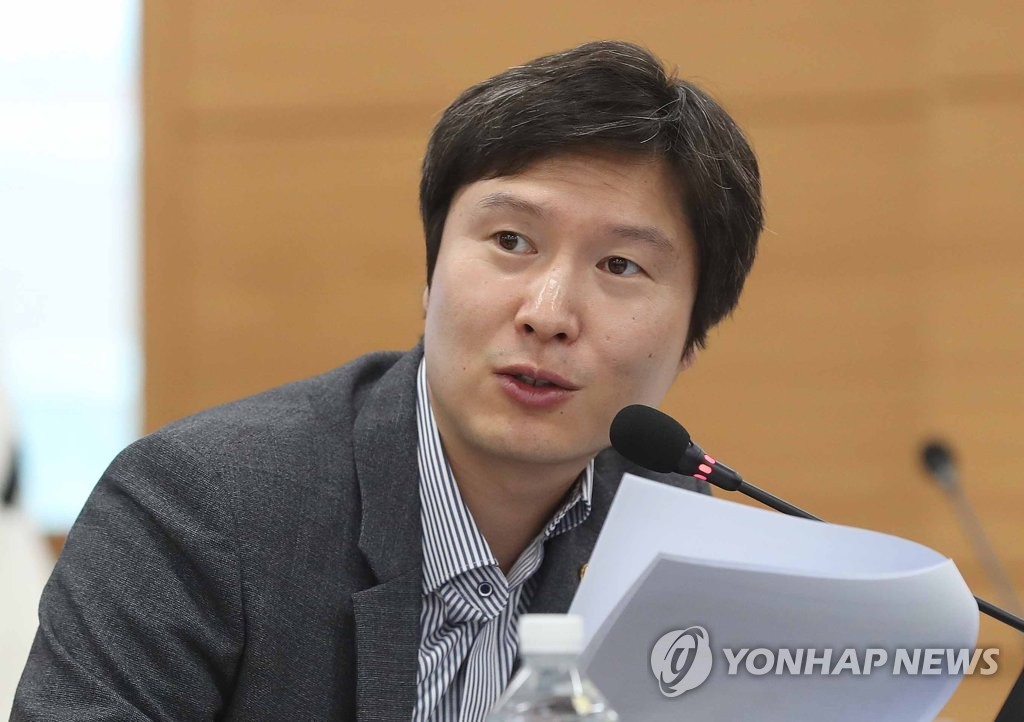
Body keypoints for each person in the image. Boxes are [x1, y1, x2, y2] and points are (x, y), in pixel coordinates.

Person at [13, 40, 763, 721]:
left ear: (692, 340)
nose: (548, 314)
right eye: (511, 241)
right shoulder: (197, 510)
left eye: (621, 265)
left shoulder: (671, 538)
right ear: (430, 277)